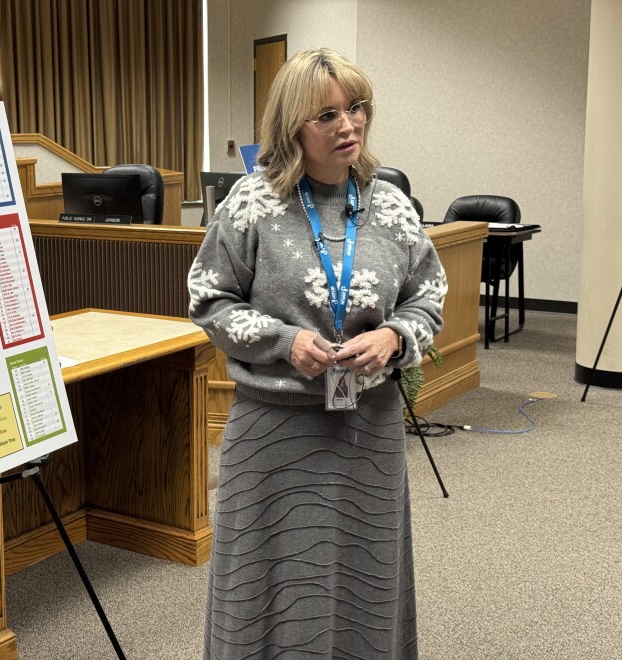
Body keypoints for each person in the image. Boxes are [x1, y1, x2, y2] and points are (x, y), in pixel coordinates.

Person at [188, 48, 447, 659]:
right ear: (291, 128)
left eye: (355, 108)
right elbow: (210, 300)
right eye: (326, 116)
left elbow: (429, 296)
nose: (349, 125)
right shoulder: (250, 205)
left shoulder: (392, 208)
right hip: (276, 429)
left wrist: (393, 337)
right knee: (267, 585)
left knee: (366, 580)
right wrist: (284, 341)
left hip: (368, 429)